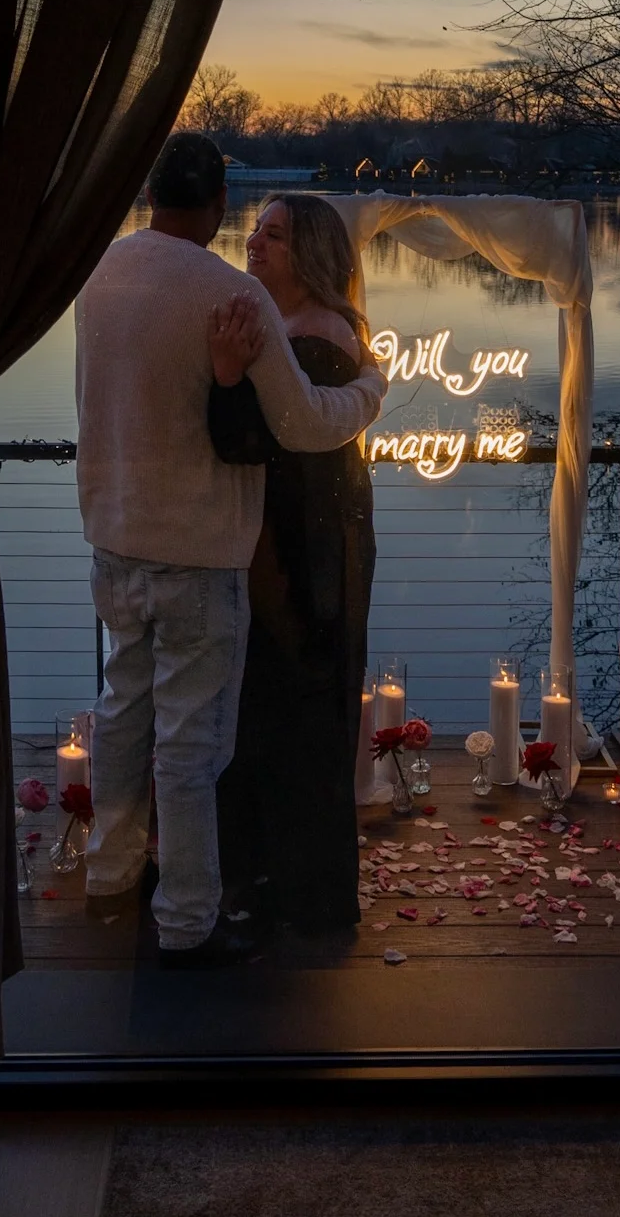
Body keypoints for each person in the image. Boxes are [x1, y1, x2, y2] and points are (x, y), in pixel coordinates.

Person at [74, 134, 386, 969]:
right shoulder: (226, 292)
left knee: (120, 710)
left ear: (150, 194)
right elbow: (300, 424)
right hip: (198, 548)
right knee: (189, 741)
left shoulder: (97, 273)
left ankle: (107, 869)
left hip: (111, 533)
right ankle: (185, 916)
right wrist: (369, 388)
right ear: (217, 204)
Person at [207, 194, 376, 932]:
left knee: (290, 699)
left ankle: (292, 883)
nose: (255, 243)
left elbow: (255, 442)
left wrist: (222, 375)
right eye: (256, 230)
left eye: (273, 236)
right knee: (274, 703)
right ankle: (271, 870)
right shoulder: (286, 328)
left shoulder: (316, 338)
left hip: (304, 549)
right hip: (297, 537)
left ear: (308, 253)